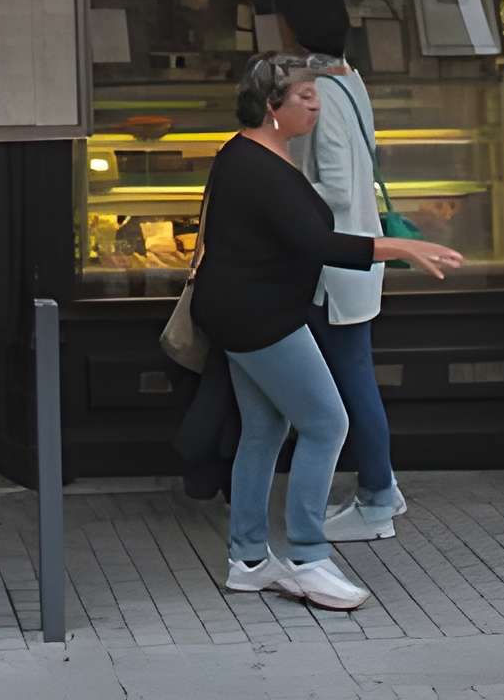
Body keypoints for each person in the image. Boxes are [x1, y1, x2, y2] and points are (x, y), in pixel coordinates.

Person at [197, 54, 462, 613]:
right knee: (327, 422)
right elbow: (318, 245)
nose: (316, 106)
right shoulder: (259, 166)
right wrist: (401, 247)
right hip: (259, 316)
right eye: (304, 97)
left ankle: (247, 561)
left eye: (316, 95)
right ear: (273, 107)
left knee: (265, 428)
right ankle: (308, 557)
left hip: (242, 312)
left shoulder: (251, 154)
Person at [270, 0, 406, 544]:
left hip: (331, 265)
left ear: (293, 24)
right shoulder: (350, 79)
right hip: (354, 259)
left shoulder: (314, 89)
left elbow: (338, 190)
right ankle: (378, 490)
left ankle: (377, 497)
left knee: (346, 384)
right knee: (349, 379)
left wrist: (280, 202)